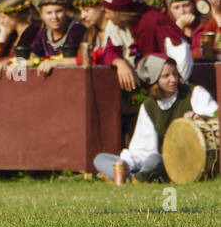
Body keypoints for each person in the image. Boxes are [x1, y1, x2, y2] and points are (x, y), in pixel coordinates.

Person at [92, 55, 216, 183]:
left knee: (155, 161)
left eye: (174, 74)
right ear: (155, 80)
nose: (173, 79)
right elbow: (142, 149)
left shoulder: (194, 93)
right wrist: (126, 162)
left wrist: (199, 117)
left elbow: (215, 115)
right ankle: (132, 177)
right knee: (100, 158)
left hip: (188, 159)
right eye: (166, 76)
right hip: (159, 159)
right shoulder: (149, 106)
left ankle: (129, 178)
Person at [102, 0, 191, 79]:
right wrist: (119, 63)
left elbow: (181, 53)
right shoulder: (115, 23)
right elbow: (110, 51)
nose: (105, 16)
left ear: (120, 13)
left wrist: (174, 86)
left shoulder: (155, 21)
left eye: (108, 12)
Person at [24, 0, 85, 76]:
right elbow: (34, 56)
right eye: (49, 13)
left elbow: (81, 59)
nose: (54, 17)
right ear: (41, 15)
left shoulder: (77, 29)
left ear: (66, 11)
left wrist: (54, 62)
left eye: (59, 11)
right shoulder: (44, 31)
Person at [0, 0, 40, 79]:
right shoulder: (12, 34)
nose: (0, 21)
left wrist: (5, 62)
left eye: (3, 17)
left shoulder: (34, 32)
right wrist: (3, 35)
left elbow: (26, 59)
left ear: (16, 16)